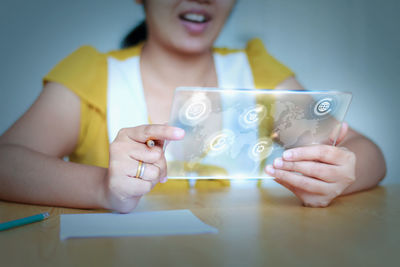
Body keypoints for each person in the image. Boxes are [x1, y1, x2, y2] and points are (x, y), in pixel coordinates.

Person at [0, 0, 386, 213]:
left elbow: (369, 154)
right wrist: (101, 187)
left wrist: (333, 178)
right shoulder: (92, 75)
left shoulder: (257, 69)